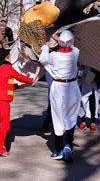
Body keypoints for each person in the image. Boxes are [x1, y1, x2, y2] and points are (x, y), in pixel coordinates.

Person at [39, 30, 81, 163]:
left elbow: (42, 60)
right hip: (72, 86)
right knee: (71, 117)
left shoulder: (54, 56)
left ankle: (59, 150)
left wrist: (46, 46)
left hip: (58, 87)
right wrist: (60, 40)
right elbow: (73, 47)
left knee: (57, 117)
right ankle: (68, 144)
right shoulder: (75, 53)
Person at [0, 48, 34, 156]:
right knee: (4, 124)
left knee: (3, 123)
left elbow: (5, 82)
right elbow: (18, 76)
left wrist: (17, 86)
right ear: (7, 56)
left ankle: (0, 143)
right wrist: (31, 80)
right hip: (3, 100)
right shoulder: (7, 67)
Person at [78, 67, 100, 132]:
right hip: (83, 82)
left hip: (92, 83)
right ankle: (83, 120)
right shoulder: (82, 58)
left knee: (93, 103)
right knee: (81, 102)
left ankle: (93, 122)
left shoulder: (96, 61)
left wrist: (95, 71)